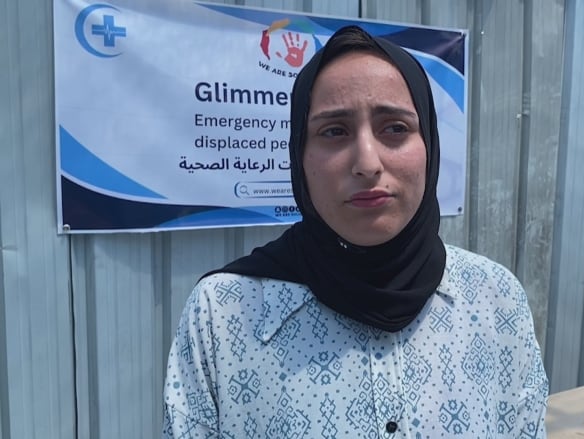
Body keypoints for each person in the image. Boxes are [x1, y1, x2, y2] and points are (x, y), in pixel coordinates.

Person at [163, 25, 548, 438]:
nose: (367, 162)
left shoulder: (494, 299)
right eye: (334, 131)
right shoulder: (223, 314)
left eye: (395, 128)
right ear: (300, 154)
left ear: (430, 146)